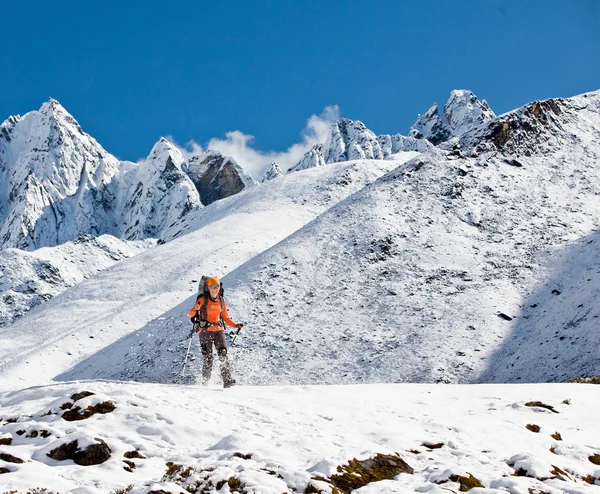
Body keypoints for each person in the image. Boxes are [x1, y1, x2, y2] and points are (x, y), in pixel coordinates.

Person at [188, 277, 243, 388]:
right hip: (205, 331)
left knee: (223, 353)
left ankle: (227, 380)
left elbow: (225, 318)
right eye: (213, 287)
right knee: (208, 357)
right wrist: (195, 308)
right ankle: (205, 382)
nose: (215, 289)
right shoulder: (202, 300)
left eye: (217, 287)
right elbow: (190, 314)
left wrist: (235, 325)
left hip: (218, 331)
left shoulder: (221, 301)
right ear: (209, 288)